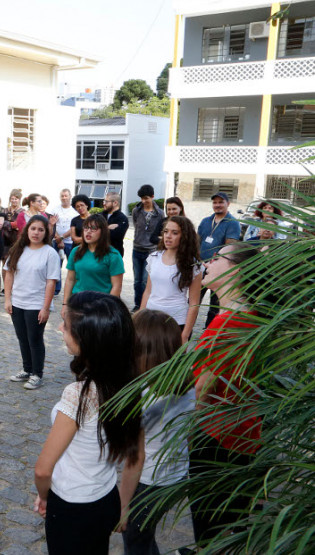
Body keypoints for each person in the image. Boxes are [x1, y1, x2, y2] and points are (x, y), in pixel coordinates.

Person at [34, 292, 143, 554]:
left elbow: (42, 470)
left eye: (66, 325)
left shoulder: (78, 396)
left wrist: (44, 496)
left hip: (72, 507)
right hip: (105, 498)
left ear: (88, 340)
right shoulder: (130, 383)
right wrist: (123, 505)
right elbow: (136, 455)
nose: (60, 328)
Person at [190, 243, 261, 547]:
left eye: (218, 258)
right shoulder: (254, 317)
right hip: (246, 432)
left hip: (216, 435)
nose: (208, 262)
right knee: (227, 521)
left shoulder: (225, 324)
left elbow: (203, 388)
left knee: (209, 524)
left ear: (236, 271)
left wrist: (191, 427)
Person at [123, 309, 194, 555]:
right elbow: (189, 434)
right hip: (176, 476)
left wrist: (123, 505)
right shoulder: (187, 384)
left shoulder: (141, 396)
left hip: (147, 483)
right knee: (144, 536)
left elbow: (135, 458)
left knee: (135, 542)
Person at [3, 215, 61, 390]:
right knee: (22, 338)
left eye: (41, 230)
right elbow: (9, 274)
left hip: (36, 304)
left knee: (34, 339)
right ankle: (27, 369)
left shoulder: (50, 253)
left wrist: (45, 308)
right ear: (27, 230)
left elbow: (51, 282)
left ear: (46, 233)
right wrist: (7, 299)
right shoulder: (18, 249)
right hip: (17, 302)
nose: (36, 233)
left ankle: (37, 374)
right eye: (33, 228)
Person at [139, 216, 203, 344]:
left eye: (175, 233)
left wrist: (185, 334)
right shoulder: (154, 258)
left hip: (176, 321)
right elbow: (148, 291)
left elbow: (194, 303)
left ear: (184, 236)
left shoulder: (193, 265)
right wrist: (140, 319)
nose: (168, 236)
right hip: (151, 319)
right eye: (166, 231)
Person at [197, 192, 241, 328]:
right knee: (193, 302)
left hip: (219, 271)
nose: (217, 205)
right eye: (215, 202)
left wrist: (215, 264)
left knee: (215, 306)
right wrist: (198, 260)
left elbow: (230, 248)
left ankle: (209, 334)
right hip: (201, 267)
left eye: (221, 202)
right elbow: (197, 242)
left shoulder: (233, 223)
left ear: (228, 204)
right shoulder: (205, 221)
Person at [63, 214, 125, 304]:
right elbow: (70, 280)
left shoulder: (113, 255)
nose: (88, 231)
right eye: (86, 228)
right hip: (77, 302)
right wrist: (65, 304)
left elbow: (117, 286)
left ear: (103, 232)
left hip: (101, 304)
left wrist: (108, 307)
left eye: (93, 228)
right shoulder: (76, 251)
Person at [130, 185, 167, 312]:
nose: (144, 201)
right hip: (137, 249)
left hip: (151, 251)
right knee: (137, 280)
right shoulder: (136, 211)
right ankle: (137, 304)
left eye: (146, 198)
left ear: (152, 197)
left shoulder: (159, 213)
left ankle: (144, 305)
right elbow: (136, 225)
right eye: (141, 198)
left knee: (146, 281)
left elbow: (161, 230)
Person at [103, 192, 129, 257]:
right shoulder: (100, 215)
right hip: (100, 253)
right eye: (104, 201)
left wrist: (101, 228)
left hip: (115, 254)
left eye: (106, 201)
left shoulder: (122, 219)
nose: (104, 203)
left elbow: (115, 236)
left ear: (115, 203)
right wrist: (107, 228)